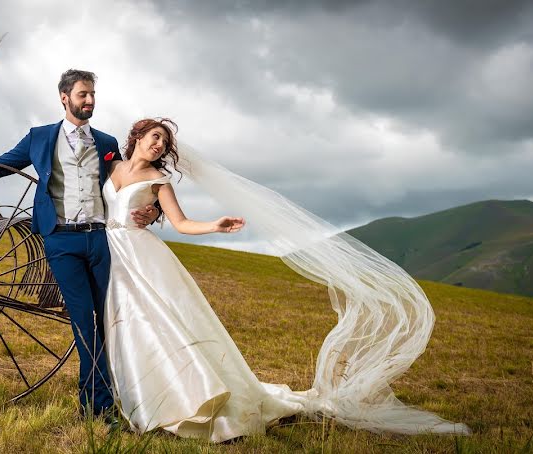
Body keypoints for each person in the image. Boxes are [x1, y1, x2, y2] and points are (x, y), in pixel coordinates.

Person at [102, 118, 471, 442]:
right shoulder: (111, 168)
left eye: (163, 142)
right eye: (153, 137)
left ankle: (172, 405)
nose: (158, 145)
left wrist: (215, 224)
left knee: (154, 324)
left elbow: (181, 223)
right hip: (107, 249)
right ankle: (128, 394)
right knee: (122, 324)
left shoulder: (159, 181)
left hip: (142, 254)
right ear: (137, 136)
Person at [0, 70, 159, 425]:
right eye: (83, 95)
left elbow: (130, 181)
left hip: (101, 240)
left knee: (107, 322)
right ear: (64, 97)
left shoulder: (106, 144)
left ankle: (98, 402)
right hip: (61, 240)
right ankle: (98, 409)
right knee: (84, 324)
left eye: (92, 95)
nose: (89, 101)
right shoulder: (40, 137)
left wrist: (155, 209)